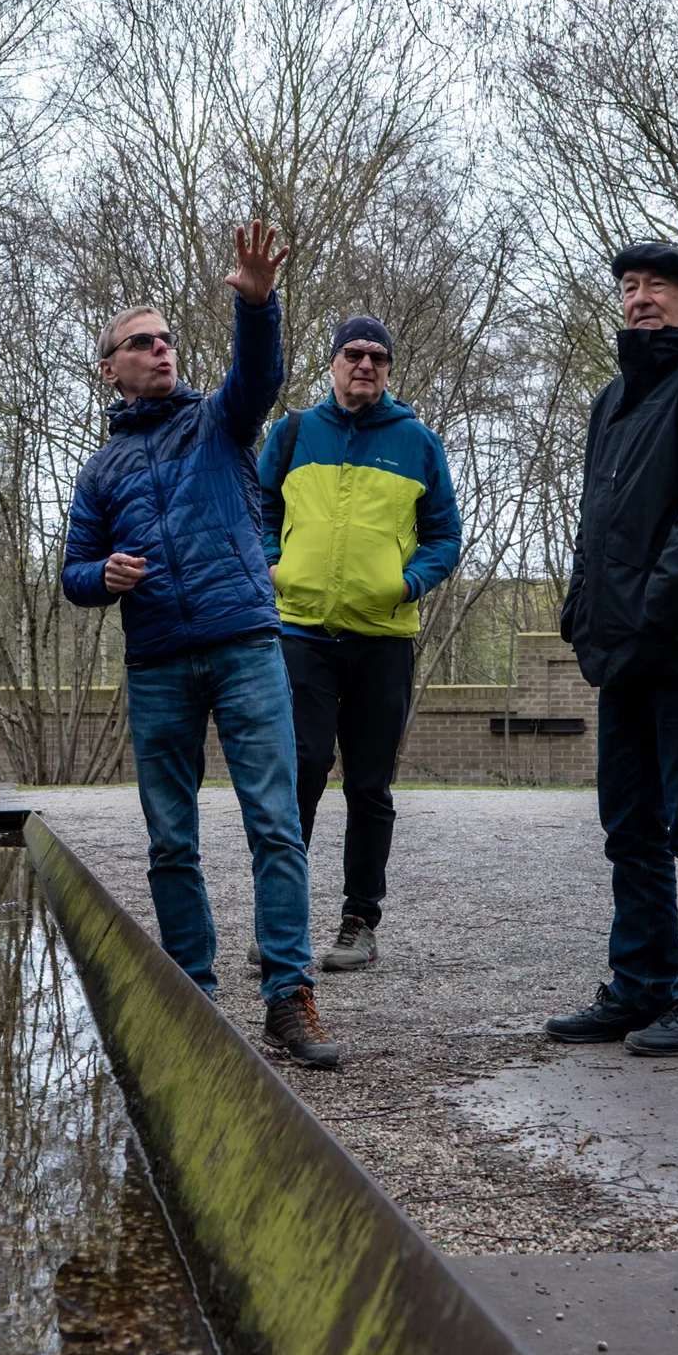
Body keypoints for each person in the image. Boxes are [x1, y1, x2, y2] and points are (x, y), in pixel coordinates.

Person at [61, 226, 339, 1068]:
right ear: (109, 367)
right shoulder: (100, 472)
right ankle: (192, 995)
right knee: (170, 840)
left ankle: (289, 997)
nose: (159, 350)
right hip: (156, 665)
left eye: (167, 339)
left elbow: (260, 377)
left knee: (275, 826)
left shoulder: (219, 426)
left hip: (246, 645)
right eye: (140, 343)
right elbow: (72, 571)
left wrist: (255, 301)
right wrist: (98, 574)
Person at [544, 242, 678, 1059]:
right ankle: (639, 984)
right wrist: (580, 605)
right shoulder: (614, 395)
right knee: (629, 826)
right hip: (622, 645)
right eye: (630, 287)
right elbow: (595, 515)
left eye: (657, 286)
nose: (639, 299)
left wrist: (654, 606)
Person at [257, 315, 462, 969]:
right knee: (302, 772)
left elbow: (445, 538)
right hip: (301, 633)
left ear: (389, 369)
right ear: (333, 362)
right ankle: (279, 926)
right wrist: (270, 564)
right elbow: (256, 507)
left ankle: (359, 923)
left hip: (383, 640)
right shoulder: (291, 434)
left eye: (378, 357)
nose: (365, 365)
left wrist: (407, 585)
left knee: (370, 786)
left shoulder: (418, 443)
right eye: (354, 354)